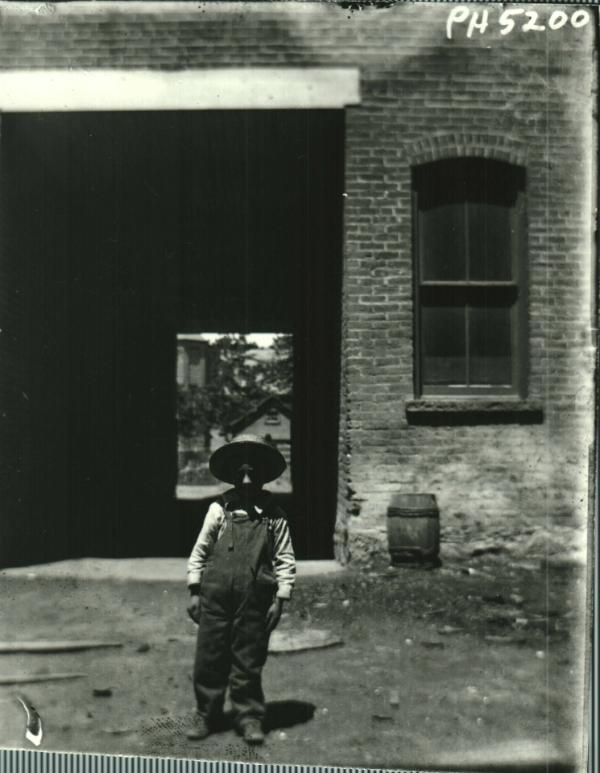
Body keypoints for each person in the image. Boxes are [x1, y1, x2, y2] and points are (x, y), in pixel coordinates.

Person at [186, 434, 296, 745]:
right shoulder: (218, 510)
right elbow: (200, 552)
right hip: (215, 596)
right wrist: (195, 590)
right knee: (209, 656)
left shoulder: (274, 517)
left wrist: (281, 598)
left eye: (253, 474)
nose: (247, 481)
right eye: (241, 474)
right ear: (233, 476)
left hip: (255, 600)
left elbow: (285, 558)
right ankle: (206, 713)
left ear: (262, 476)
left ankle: (249, 716)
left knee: (248, 659)